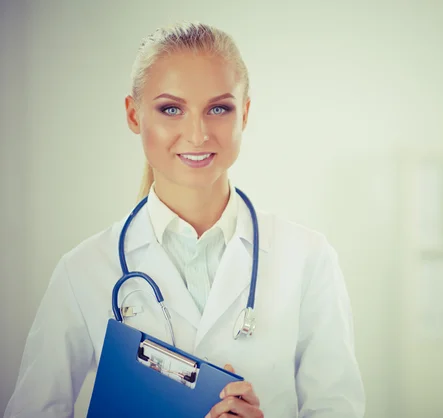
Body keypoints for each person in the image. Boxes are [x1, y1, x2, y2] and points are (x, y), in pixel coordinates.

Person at [4, 21, 365, 418]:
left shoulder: (309, 259)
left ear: (244, 113)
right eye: (171, 109)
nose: (197, 134)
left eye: (218, 108)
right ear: (133, 115)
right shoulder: (83, 270)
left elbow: (337, 408)